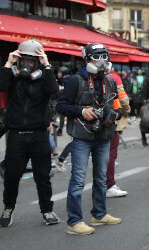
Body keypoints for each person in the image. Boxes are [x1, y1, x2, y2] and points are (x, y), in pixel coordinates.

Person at [56, 43, 123, 235]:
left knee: (101, 179)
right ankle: (74, 222)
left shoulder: (110, 81)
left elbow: (118, 107)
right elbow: (61, 106)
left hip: (104, 135)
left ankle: (99, 214)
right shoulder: (74, 81)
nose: (102, 62)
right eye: (97, 57)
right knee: (78, 180)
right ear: (87, 60)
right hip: (82, 137)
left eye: (104, 57)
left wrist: (115, 115)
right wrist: (81, 111)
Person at [0, 40, 60, 228]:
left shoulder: (44, 77)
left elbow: (54, 91)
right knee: (12, 176)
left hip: (39, 135)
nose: (26, 65)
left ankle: (47, 210)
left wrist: (47, 66)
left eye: (31, 61)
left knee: (43, 176)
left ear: (37, 62)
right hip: (16, 135)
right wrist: (8, 63)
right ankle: (8, 208)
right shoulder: (13, 78)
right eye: (24, 60)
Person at [106, 68, 131, 197]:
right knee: (110, 154)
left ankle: (100, 184)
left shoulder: (87, 77)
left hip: (92, 123)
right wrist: (125, 113)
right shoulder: (114, 78)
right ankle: (109, 185)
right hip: (112, 121)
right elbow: (124, 100)